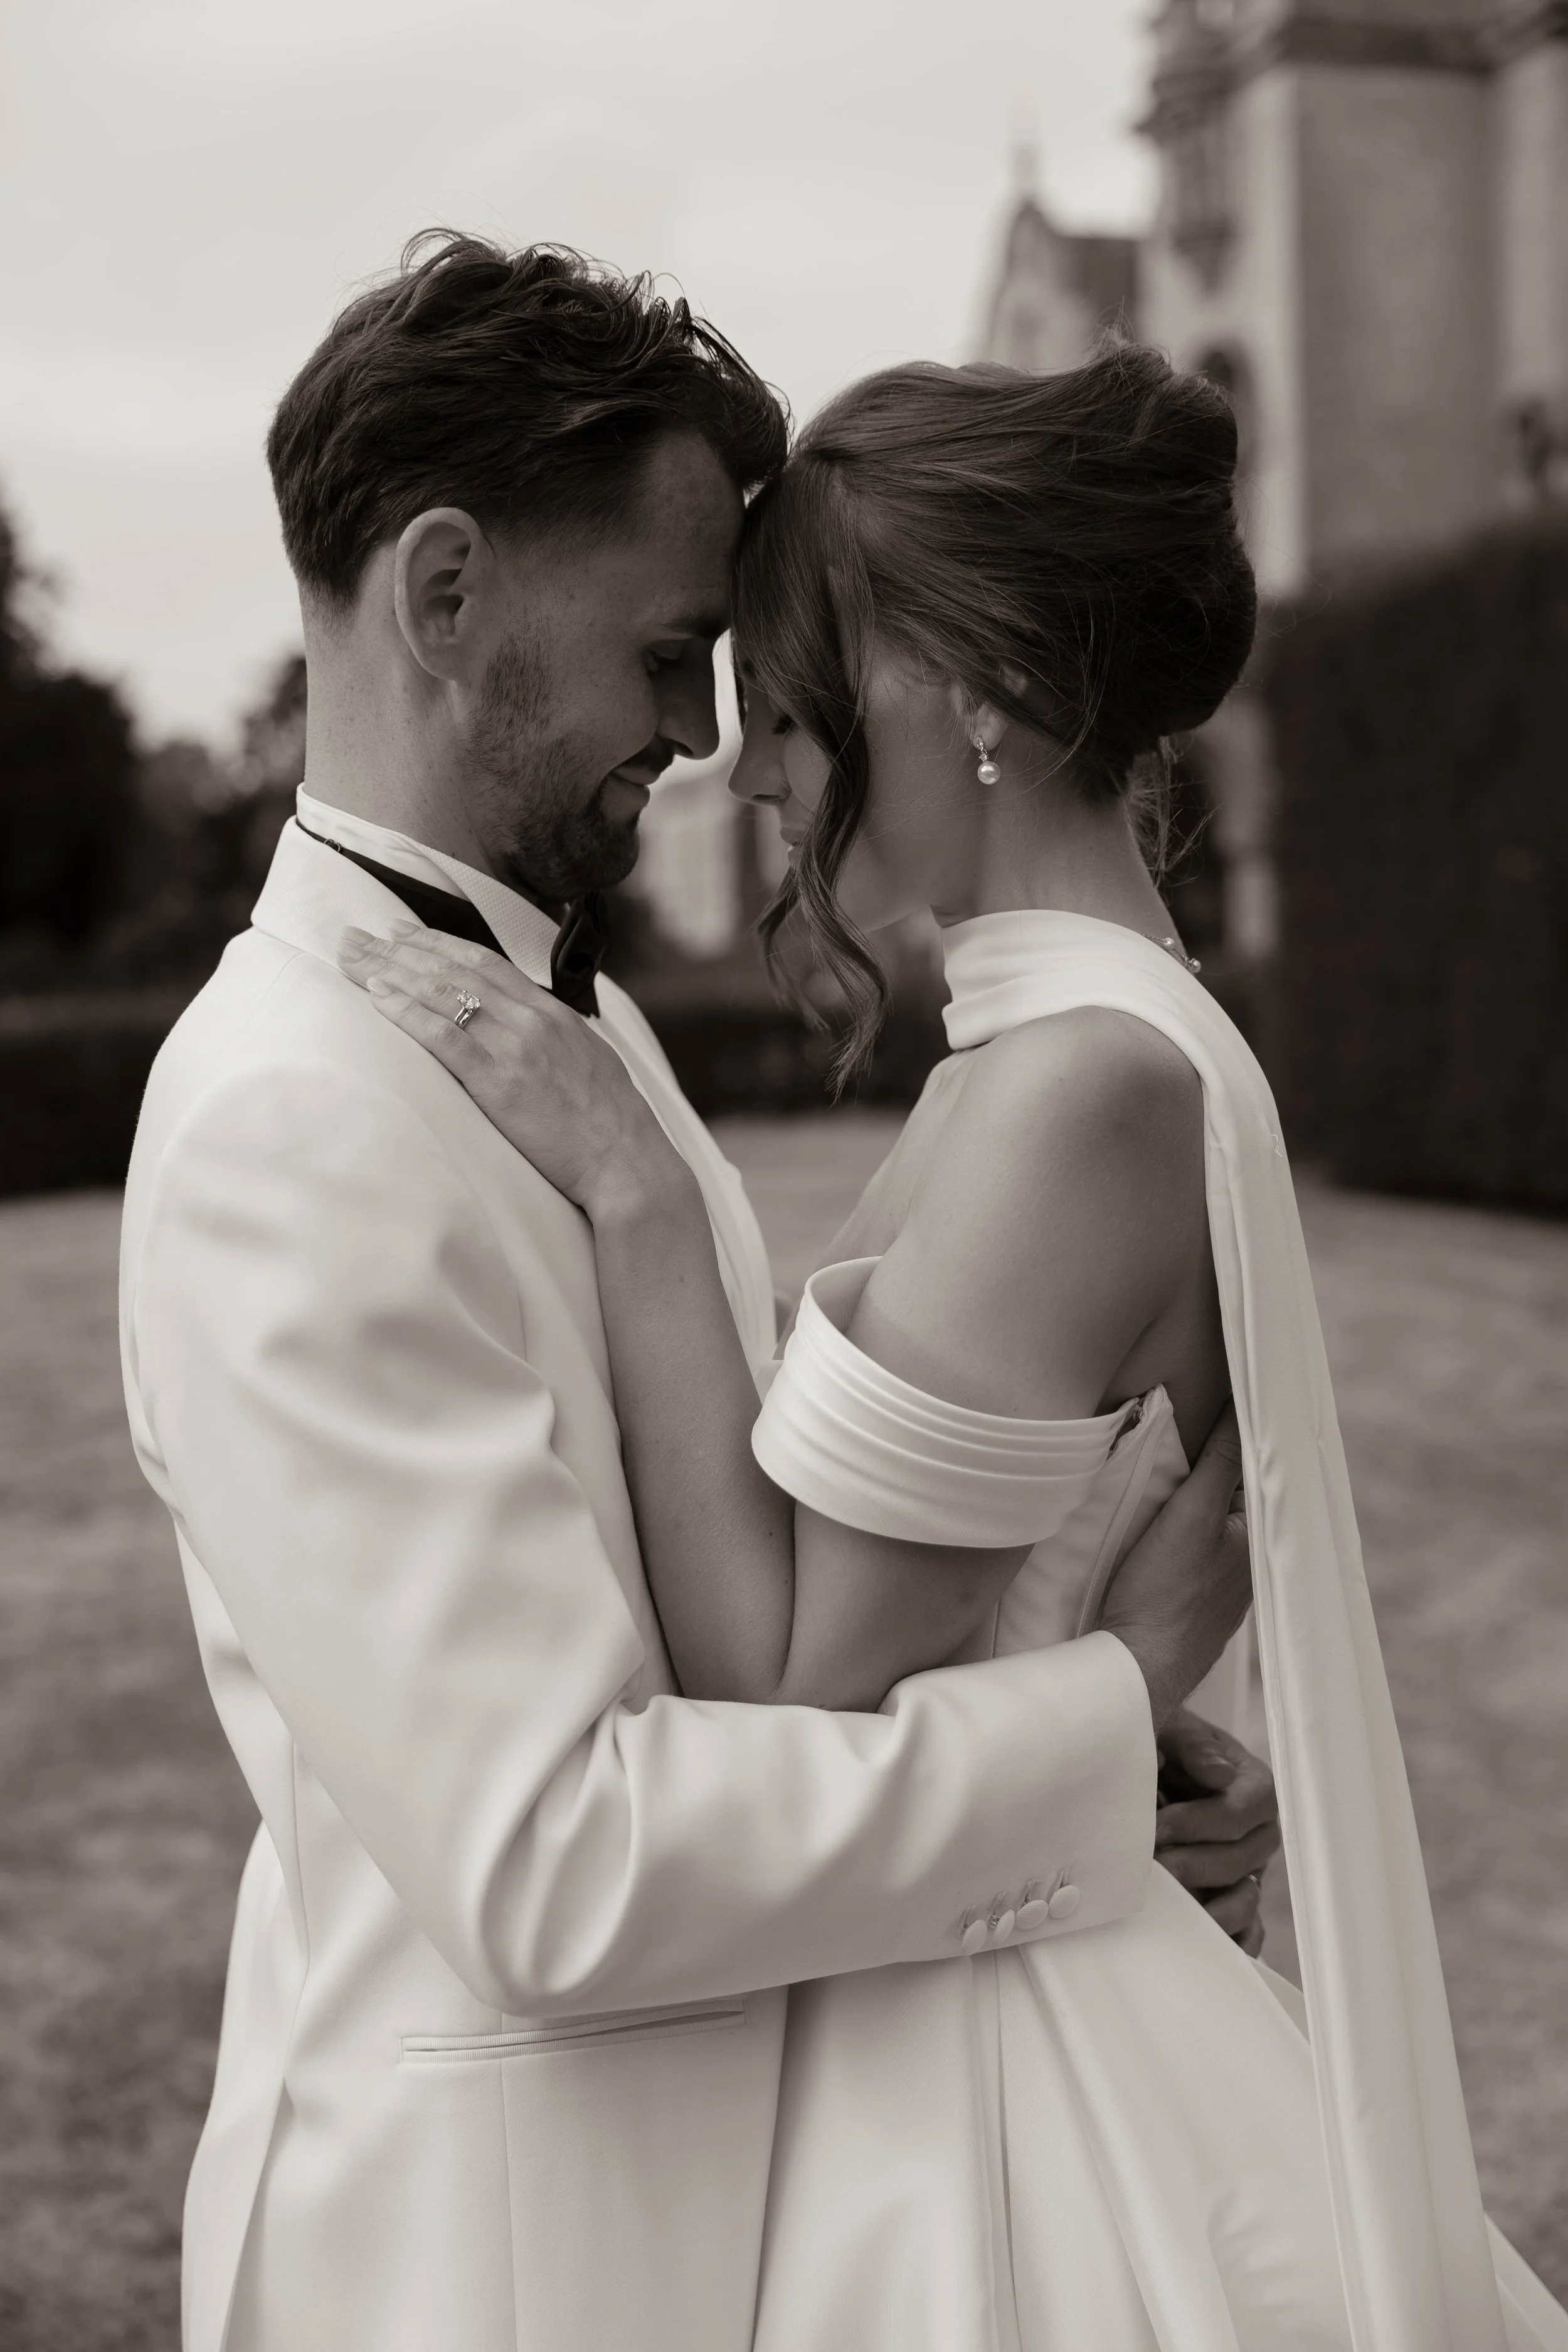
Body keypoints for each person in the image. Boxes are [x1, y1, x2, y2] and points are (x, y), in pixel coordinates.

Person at [342, 339, 1568, 2348]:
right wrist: (1111, 1691)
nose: (747, 766)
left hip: (1002, 2072)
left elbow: (794, 1680)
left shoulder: (1076, 1086)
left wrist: (637, 1197)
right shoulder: (1055, 1052)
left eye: (788, 688)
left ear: (961, 680)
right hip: (959, 1943)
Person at [119, 235, 1274, 2352]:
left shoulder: (583, 1039)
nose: (710, 724)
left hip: (773, 2179)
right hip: (512, 2264)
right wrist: (1083, 1742)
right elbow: (559, 1857)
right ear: (443, 589)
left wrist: (1031, 1673)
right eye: (669, 646)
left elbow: (763, 1596)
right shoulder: (292, 1115)